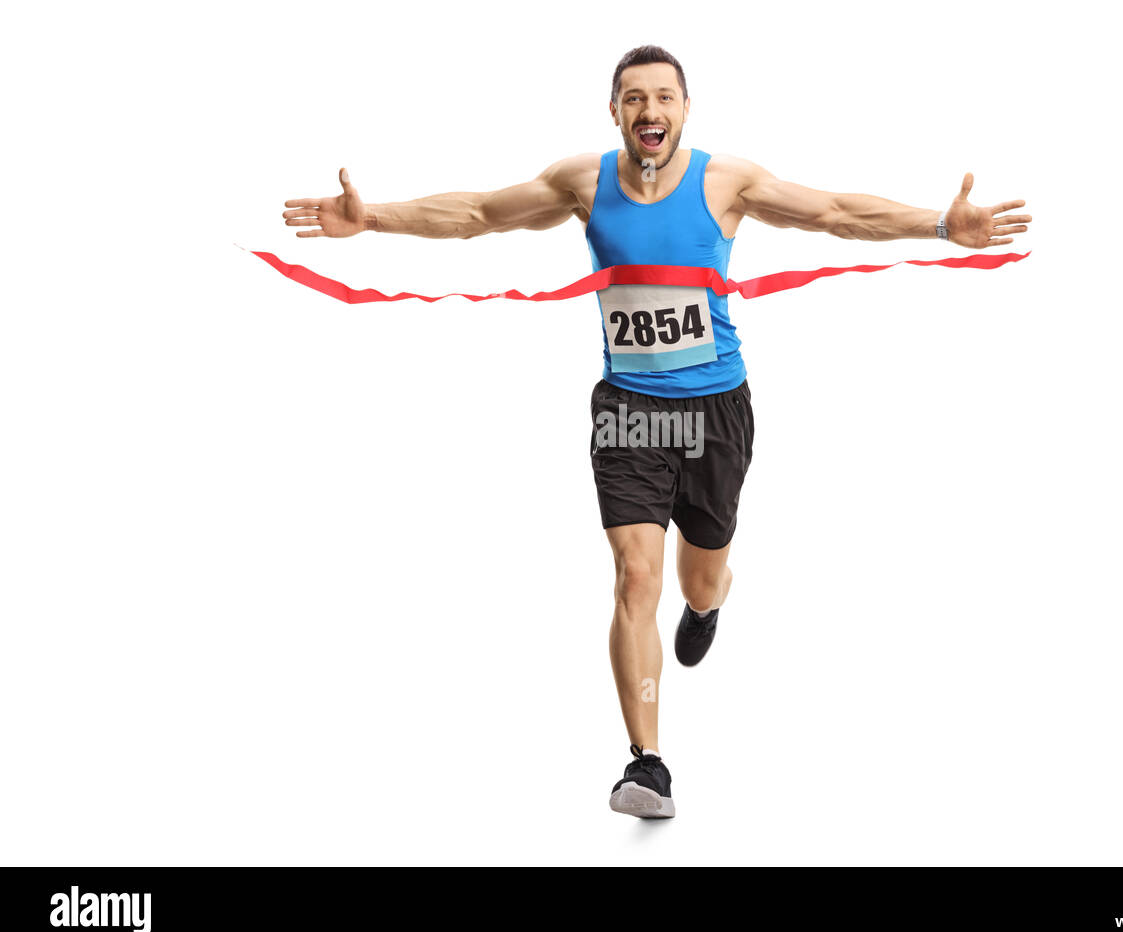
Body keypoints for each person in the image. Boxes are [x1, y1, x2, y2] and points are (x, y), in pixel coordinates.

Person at [281, 45, 1031, 819]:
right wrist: (369, 218)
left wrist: (941, 223)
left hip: (717, 411)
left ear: (684, 110)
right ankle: (648, 764)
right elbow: (477, 214)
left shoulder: (725, 181)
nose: (650, 111)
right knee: (637, 575)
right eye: (634, 98)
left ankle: (707, 604)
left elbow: (835, 214)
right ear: (616, 112)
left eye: (664, 98)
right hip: (628, 410)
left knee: (696, 578)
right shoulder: (583, 181)